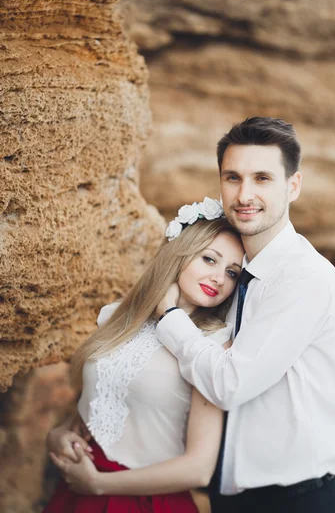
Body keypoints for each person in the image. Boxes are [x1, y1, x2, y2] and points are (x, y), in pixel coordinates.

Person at [155, 117, 335, 513]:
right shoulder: (228, 276)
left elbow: (230, 384)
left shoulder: (303, 276)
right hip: (231, 500)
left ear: (292, 186)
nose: (244, 194)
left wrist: (170, 317)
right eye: (233, 177)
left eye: (262, 178)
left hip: (297, 500)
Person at [44, 202, 244, 513]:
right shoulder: (116, 316)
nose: (219, 278)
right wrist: (59, 435)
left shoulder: (214, 348)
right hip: (76, 493)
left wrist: (99, 484)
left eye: (232, 273)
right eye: (209, 259)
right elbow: (103, 401)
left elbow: (199, 468)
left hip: (146, 502)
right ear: (178, 253)